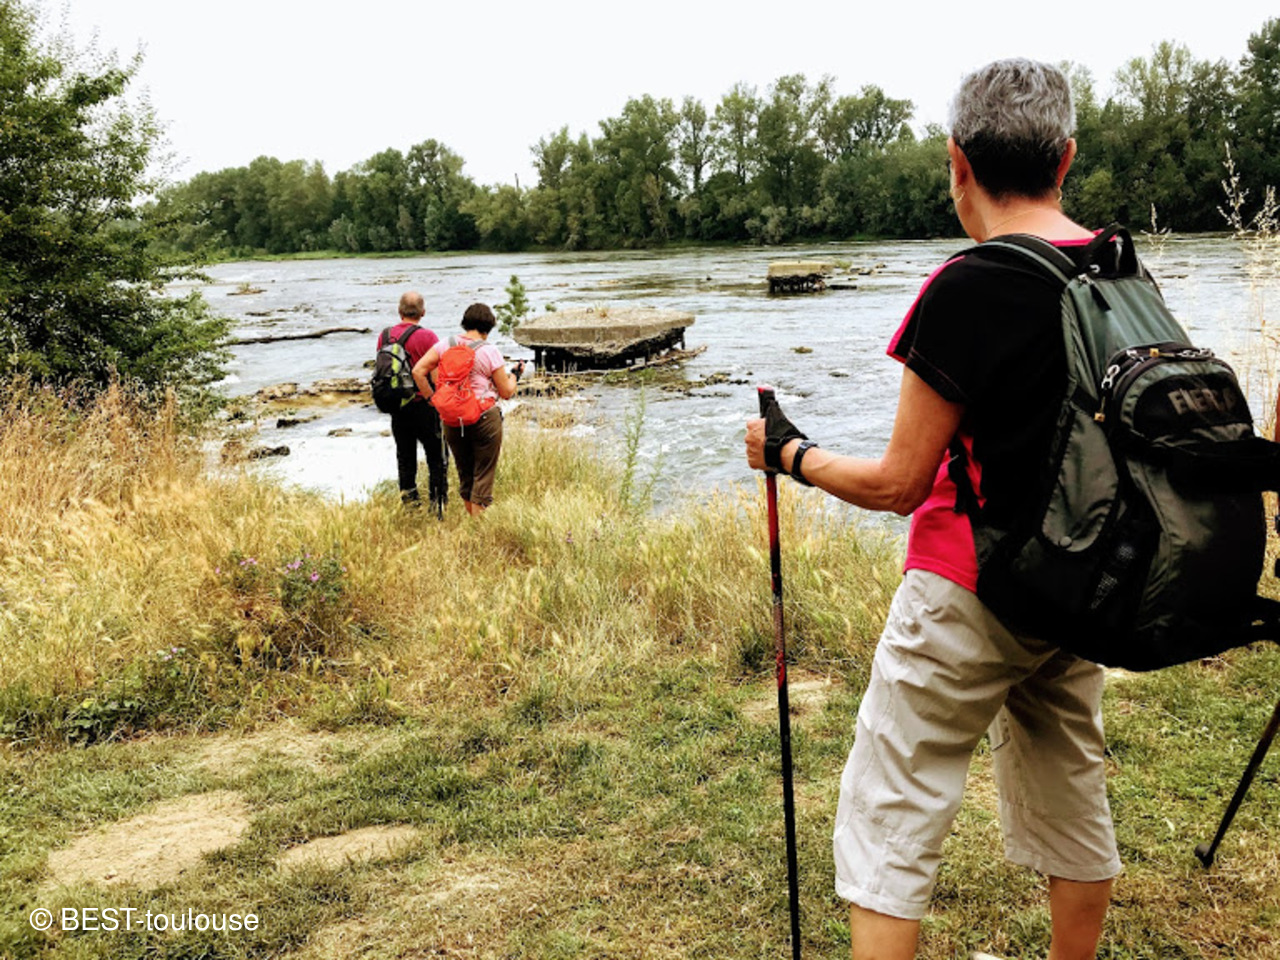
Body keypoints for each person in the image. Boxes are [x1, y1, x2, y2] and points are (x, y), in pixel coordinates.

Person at [746, 60, 1119, 960]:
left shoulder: (969, 285)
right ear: (1065, 159)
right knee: (1071, 783)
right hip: (1076, 578)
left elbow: (899, 485)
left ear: (958, 162)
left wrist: (790, 454)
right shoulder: (1115, 265)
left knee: (891, 806)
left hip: (967, 585)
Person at [412, 303, 524, 516]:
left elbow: (418, 371)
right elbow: (506, 391)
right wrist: (515, 376)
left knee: (466, 475)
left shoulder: (445, 345)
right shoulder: (489, 351)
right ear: (488, 328)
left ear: (465, 323)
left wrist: (433, 399)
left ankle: (472, 521)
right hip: (484, 417)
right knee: (483, 475)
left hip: (453, 418)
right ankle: (478, 529)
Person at [379, 291, 448, 515]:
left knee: (405, 456)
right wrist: (439, 400)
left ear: (399, 311)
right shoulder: (427, 337)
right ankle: (437, 506)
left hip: (397, 405)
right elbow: (435, 374)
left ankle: (410, 505)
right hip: (423, 404)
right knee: (436, 456)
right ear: (423, 312)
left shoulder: (385, 335)